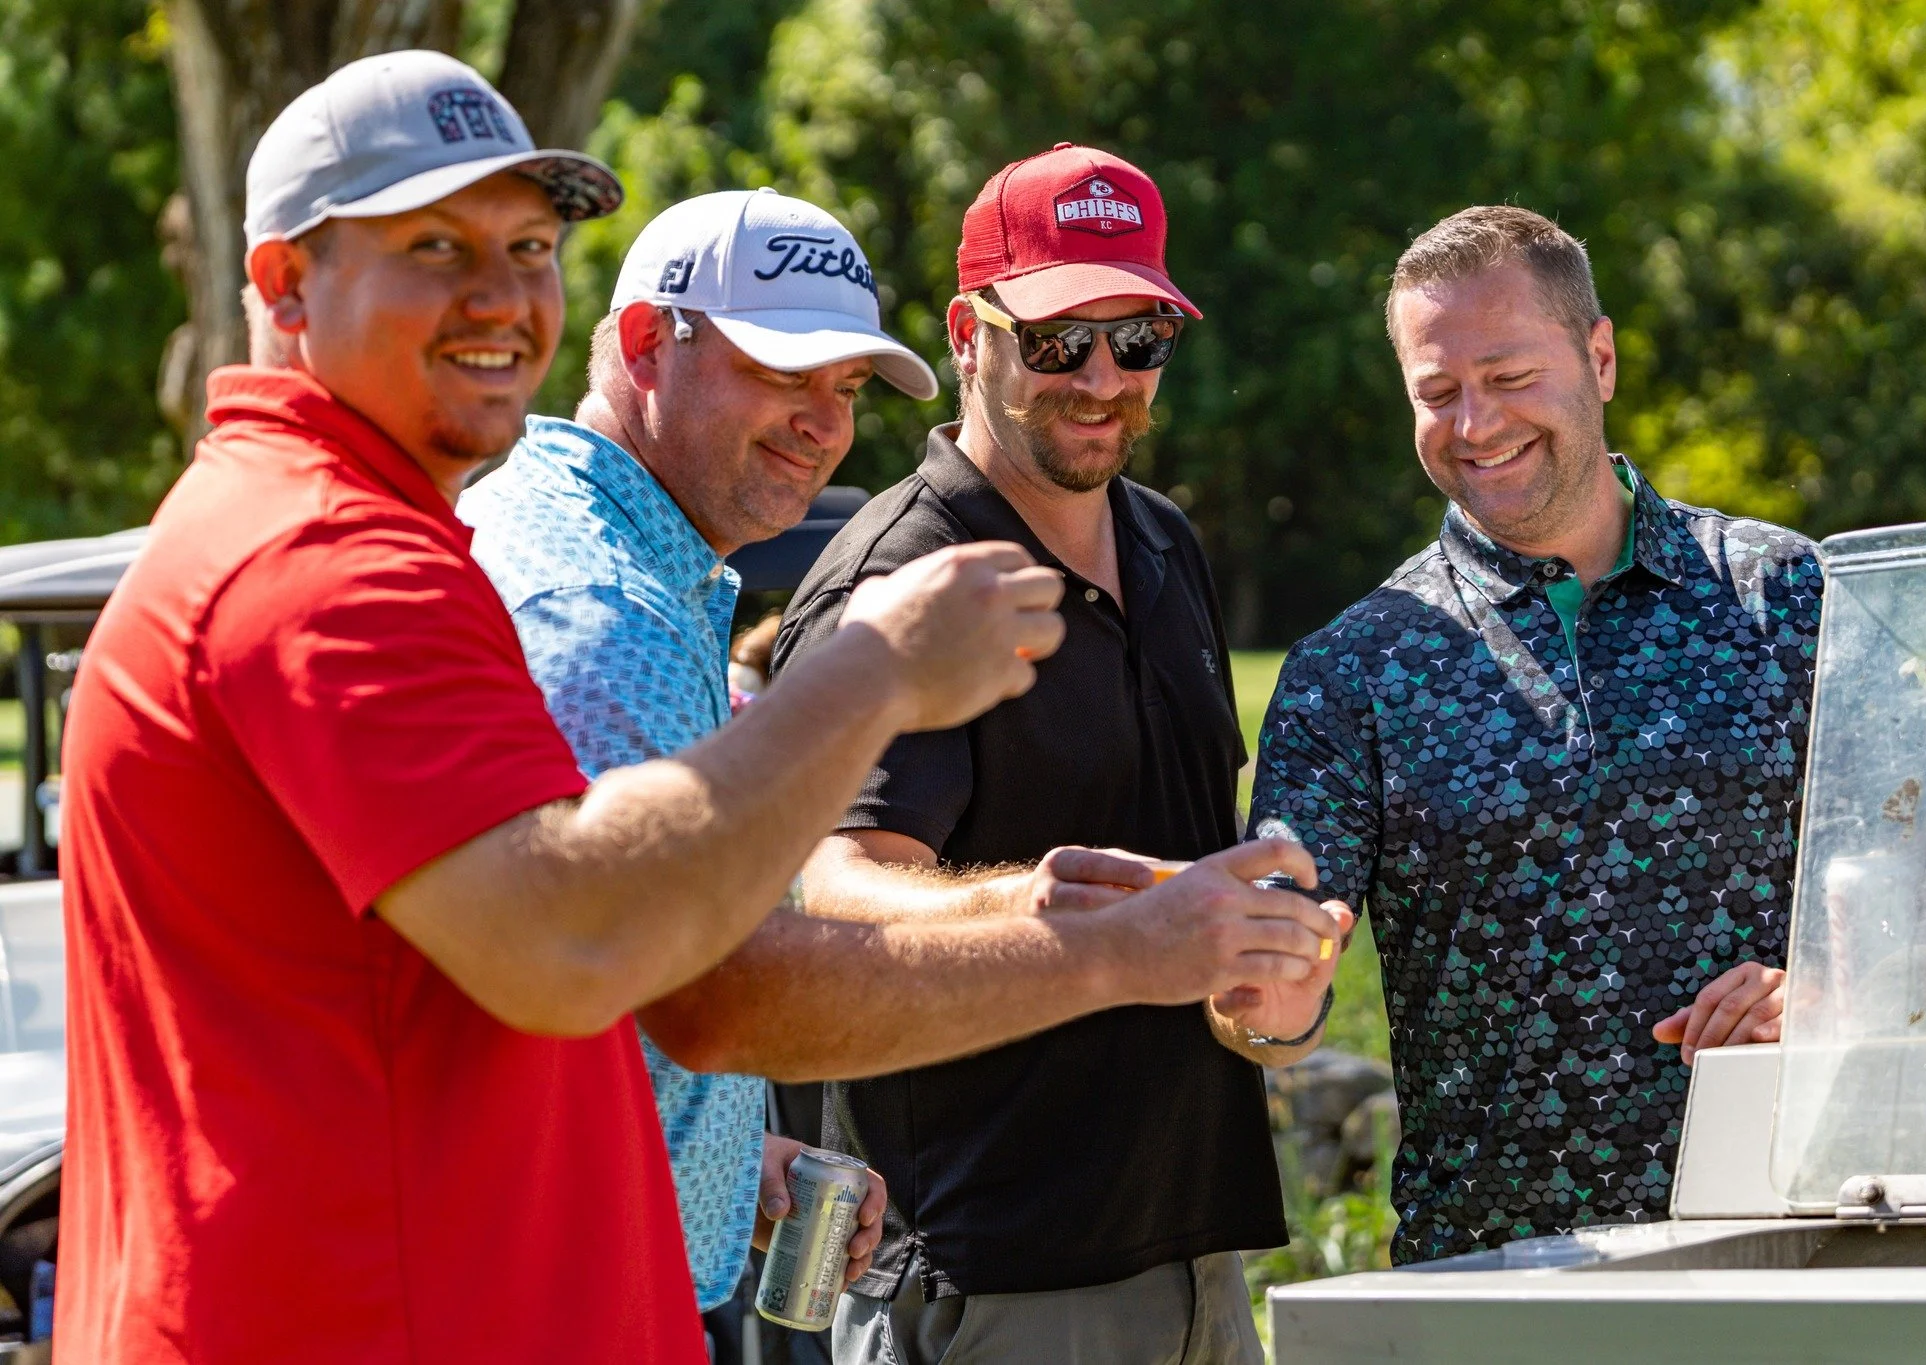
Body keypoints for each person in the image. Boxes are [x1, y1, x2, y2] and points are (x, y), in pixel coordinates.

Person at [55, 52, 1073, 1365]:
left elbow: (461, 994)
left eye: (529, 244)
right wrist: (869, 671)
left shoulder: (347, 528)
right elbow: (585, 941)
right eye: (433, 245)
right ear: (283, 282)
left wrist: (715, 1145)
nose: (499, 295)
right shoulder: (330, 563)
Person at [460, 188, 1346, 1323]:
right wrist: (1106, 942)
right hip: (617, 1291)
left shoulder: (659, 572)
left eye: (841, 388)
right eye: (783, 374)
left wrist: (736, 1154)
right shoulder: (605, 604)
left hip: (1148, 1231)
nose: (821, 423)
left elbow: (602, 969)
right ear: (644, 345)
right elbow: (718, 986)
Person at [777, 144, 1350, 1365]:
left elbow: (1187, 888)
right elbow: (826, 888)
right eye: (1054, 340)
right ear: (965, 334)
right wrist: (1033, 907)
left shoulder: (1160, 542)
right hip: (998, 1275)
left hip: (1196, 1249)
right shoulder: (901, 574)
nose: (1100, 379)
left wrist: (1265, 965)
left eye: (1136, 340)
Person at [1248, 204, 1824, 1265]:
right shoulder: (1354, 669)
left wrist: (1835, 989)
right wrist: (1267, 1001)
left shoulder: (1784, 594)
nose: (1473, 424)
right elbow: (1271, 985)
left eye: (1508, 378)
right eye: (1436, 393)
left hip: (1793, 1242)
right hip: (1495, 1277)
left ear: (1597, 359)